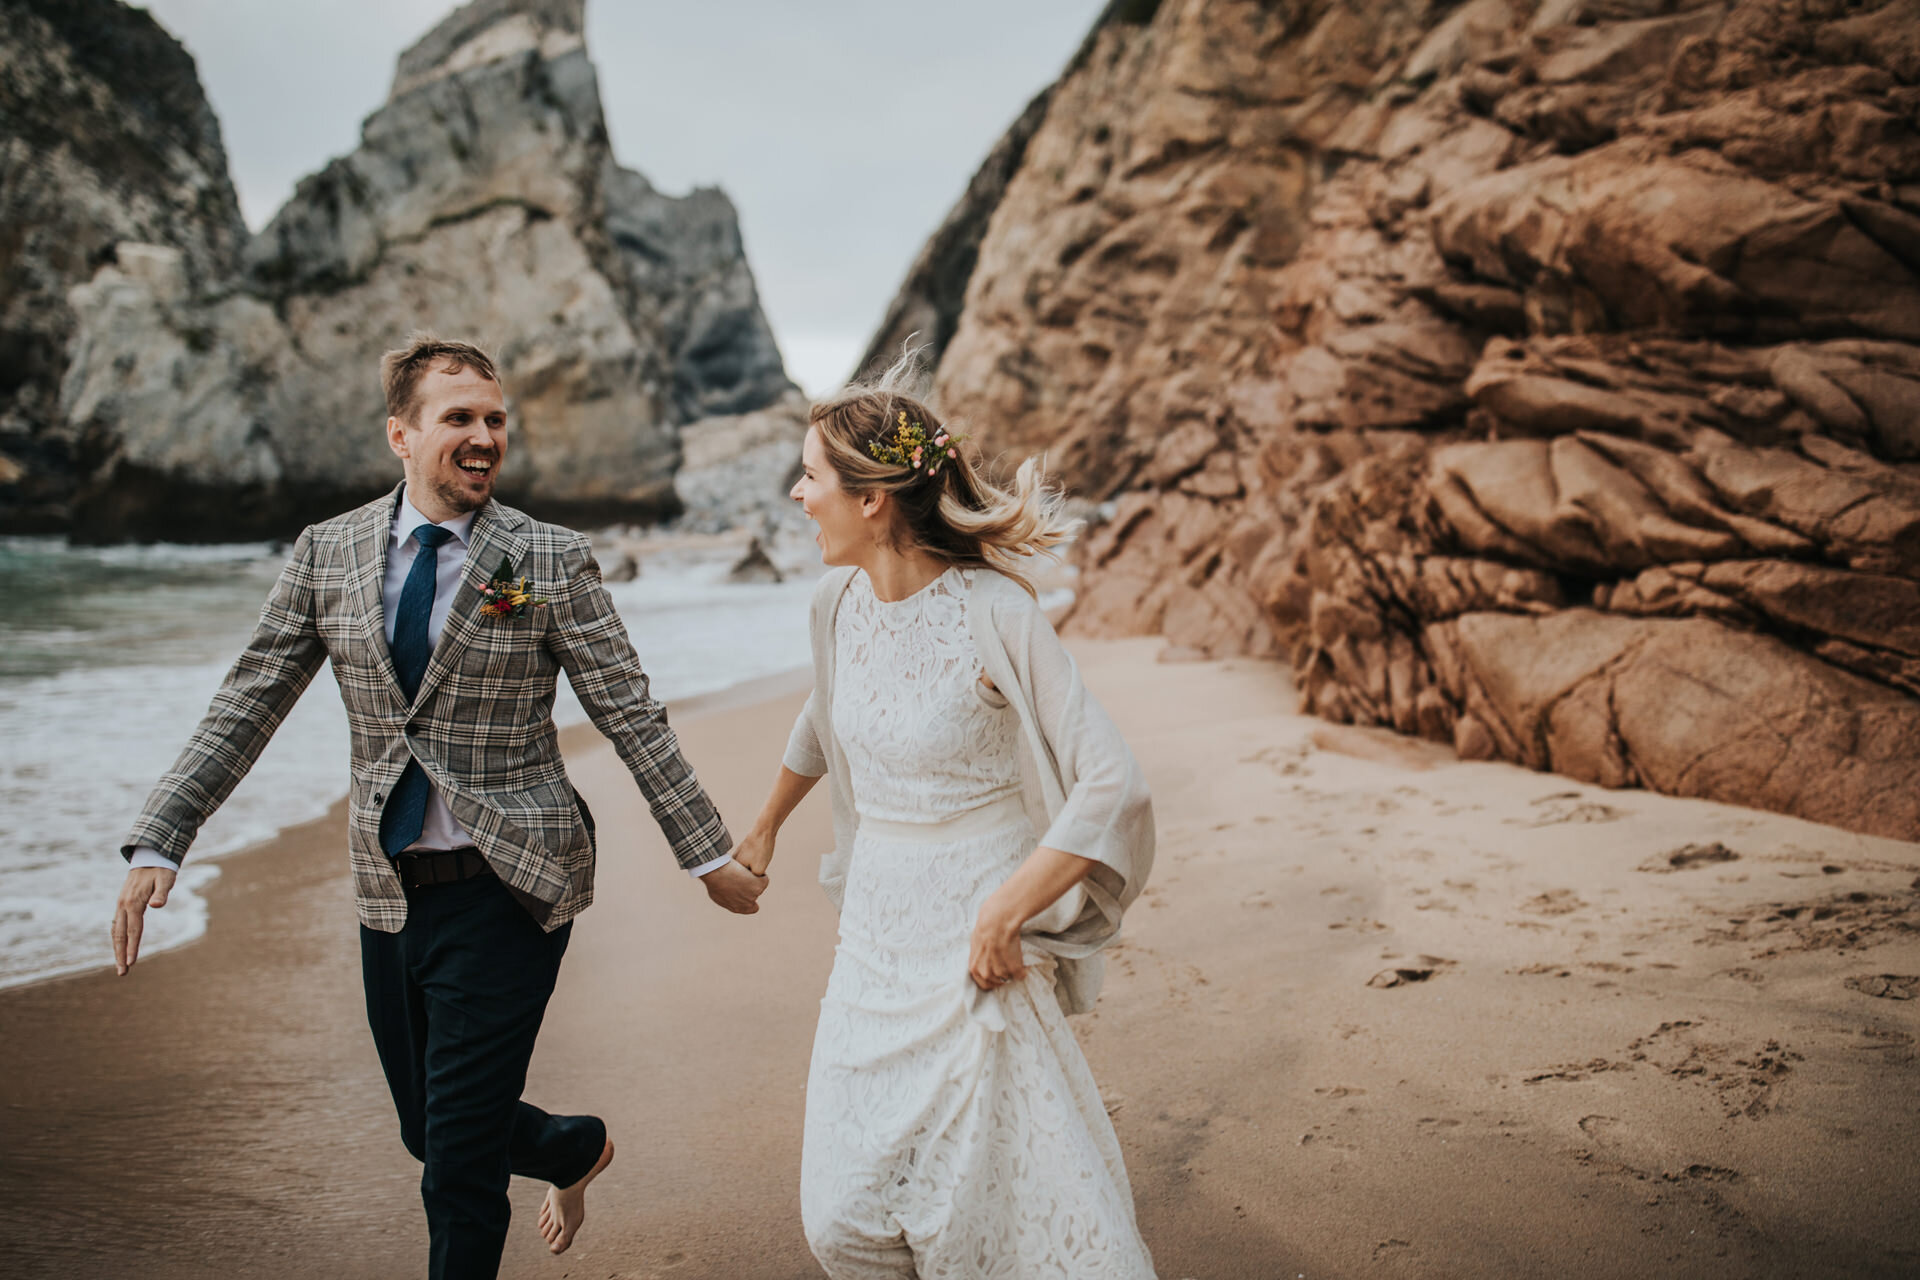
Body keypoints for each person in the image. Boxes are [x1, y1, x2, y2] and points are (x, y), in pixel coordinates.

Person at [108, 335, 768, 1280]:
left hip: (513, 885)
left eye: (495, 419)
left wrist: (706, 856)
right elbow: (249, 700)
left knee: (455, 1170)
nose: (484, 436)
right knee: (429, 1128)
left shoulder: (548, 557)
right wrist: (161, 839)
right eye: (459, 418)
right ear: (401, 434)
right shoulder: (326, 555)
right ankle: (572, 1146)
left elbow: (630, 712)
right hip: (390, 888)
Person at [733, 362, 1158, 1277]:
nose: (798, 497)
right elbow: (829, 707)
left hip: (974, 933)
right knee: (843, 1217)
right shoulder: (837, 605)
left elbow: (1112, 783)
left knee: (983, 1203)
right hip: (874, 931)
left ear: (874, 499)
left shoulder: (995, 613)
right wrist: (767, 824)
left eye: (811, 477)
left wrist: (1009, 911)